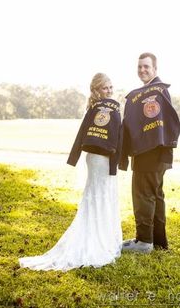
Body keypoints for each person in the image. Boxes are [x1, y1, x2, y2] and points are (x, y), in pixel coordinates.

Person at [19, 73, 122, 271]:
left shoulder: (103, 108)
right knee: (99, 196)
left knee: (100, 196)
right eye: (104, 88)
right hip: (100, 160)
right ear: (96, 90)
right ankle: (98, 240)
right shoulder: (101, 109)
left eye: (110, 87)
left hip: (99, 159)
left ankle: (104, 235)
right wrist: (113, 165)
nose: (109, 91)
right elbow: (97, 136)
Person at [119, 53, 180, 253]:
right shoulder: (157, 90)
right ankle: (159, 241)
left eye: (146, 66)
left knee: (143, 195)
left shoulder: (154, 91)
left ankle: (144, 241)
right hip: (160, 155)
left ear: (155, 68)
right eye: (139, 67)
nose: (142, 70)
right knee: (156, 195)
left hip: (149, 152)